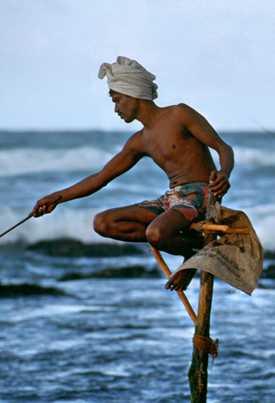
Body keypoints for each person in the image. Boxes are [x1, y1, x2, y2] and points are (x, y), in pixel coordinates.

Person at [31, 56, 234, 291]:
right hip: (173, 199)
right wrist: (56, 197)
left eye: (117, 100)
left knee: (156, 233)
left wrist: (224, 173)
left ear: (133, 94)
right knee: (103, 223)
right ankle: (196, 246)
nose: (116, 109)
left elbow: (222, 147)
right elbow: (100, 178)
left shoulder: (179, 114)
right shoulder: (138, 141)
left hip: (202, 194)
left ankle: (190, 259)